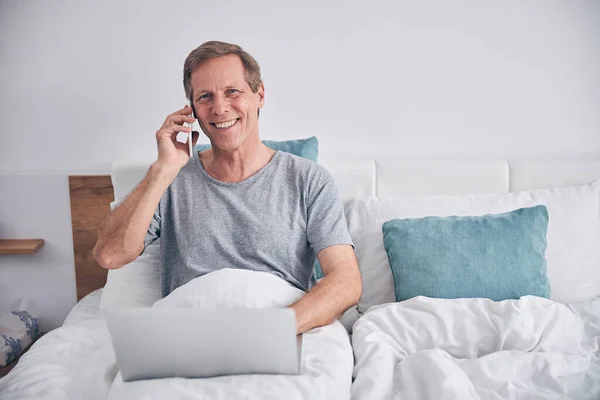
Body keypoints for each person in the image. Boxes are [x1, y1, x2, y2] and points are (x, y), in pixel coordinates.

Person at [93, 41, 362, 334]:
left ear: (259, 95)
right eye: (205, 96)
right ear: (192, 109)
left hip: (283, 330)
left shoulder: (309, 180)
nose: (219, 108)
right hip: (192, 333)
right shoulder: (170, 181)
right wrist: (162, 170)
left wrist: (273, 330)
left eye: (232, 91)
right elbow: (110, 255)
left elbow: (346, 280)